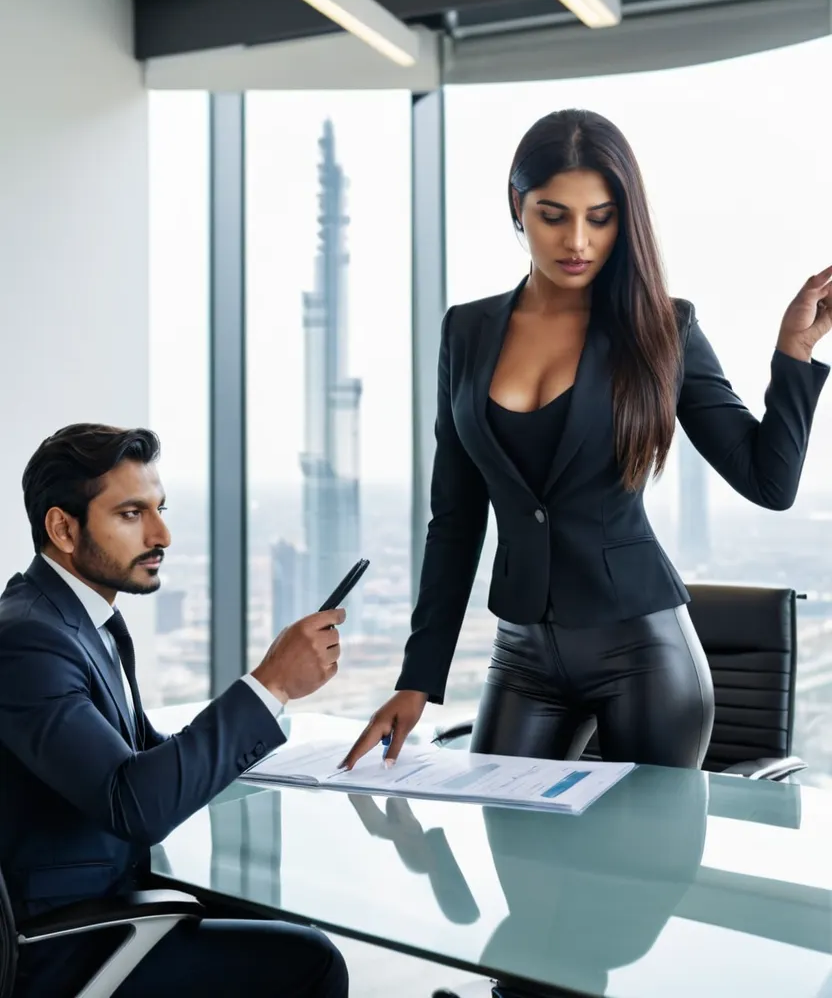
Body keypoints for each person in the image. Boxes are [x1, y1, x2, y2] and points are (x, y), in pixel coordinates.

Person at [344, 108, 831, 773]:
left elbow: (768, 481)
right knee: (510, 854)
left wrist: (794, 353)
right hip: (523, 657)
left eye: (599, 217)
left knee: (642, 872)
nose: (577, 240)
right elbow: (454, 519)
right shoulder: (466, 332)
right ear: (517, 206)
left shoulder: (664, 329)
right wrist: (417, 679)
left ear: (623, 218)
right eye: (553, 215)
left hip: (644, 656)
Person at [0, 424, 349, 998]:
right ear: (64, 527)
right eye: (133, 514)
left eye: (160, 509)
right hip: (63, 949)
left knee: (280, 926)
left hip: (112, 900)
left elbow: (141, 753)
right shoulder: (30, 640)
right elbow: (131, 801)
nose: (162, 533)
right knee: (312, 962)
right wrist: (270, 685)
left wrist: (276, 753)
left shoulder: (80, 621)